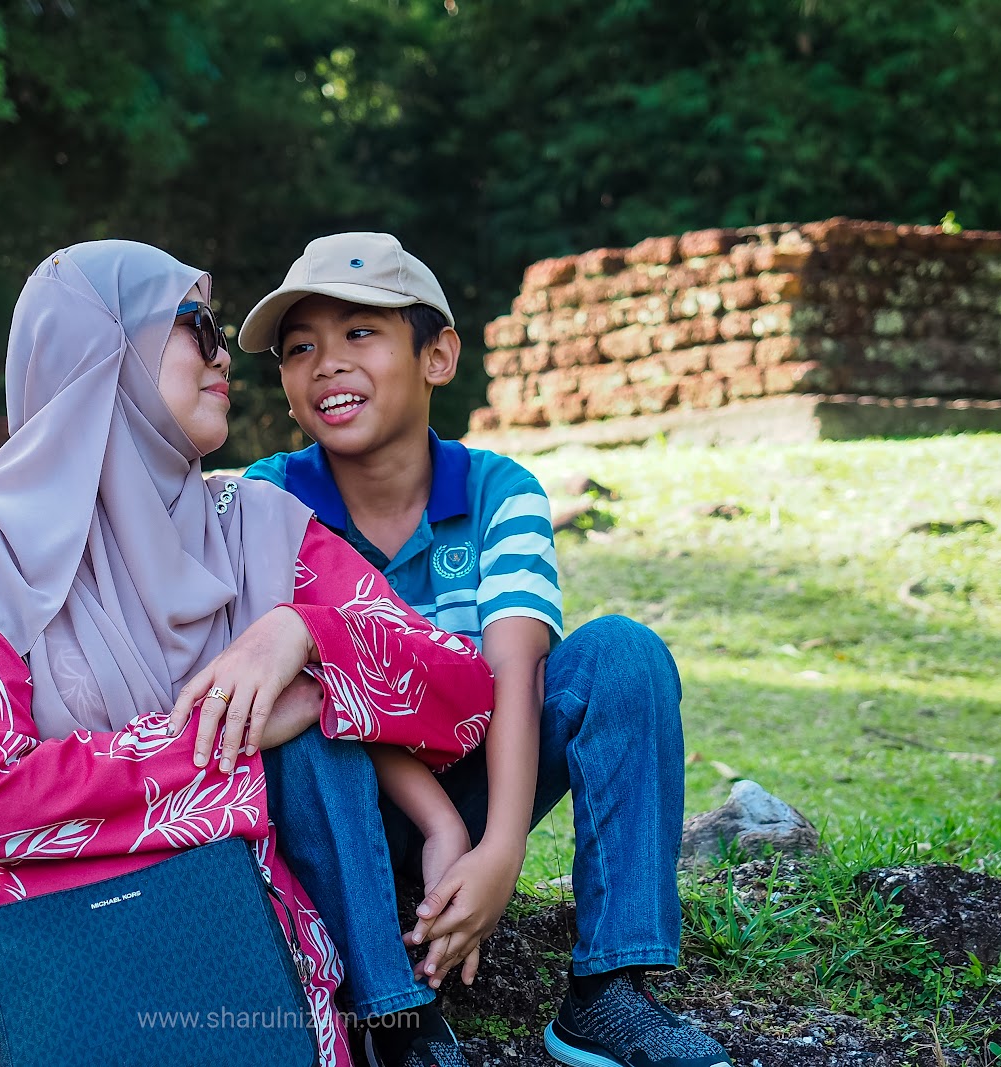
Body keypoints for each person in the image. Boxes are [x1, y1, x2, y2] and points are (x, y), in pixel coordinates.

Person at [0, 239, 496, 1067]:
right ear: (106, 348)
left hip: (230, 929)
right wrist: (232, 736)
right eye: (195, 324)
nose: (223, 354)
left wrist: (307, 634)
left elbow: (462, 688)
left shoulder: (257, 524)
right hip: (32, 941)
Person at [240, 232, 733, 1067]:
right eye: (300, 348)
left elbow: (517, 670)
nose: (327, 363)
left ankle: (610, 991)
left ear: (437, 355)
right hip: (333, 809)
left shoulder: (498, 490)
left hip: (473, 783)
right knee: (308, 714)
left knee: (623, 652)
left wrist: (499, 849)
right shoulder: (267, 501)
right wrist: (435, 825)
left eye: (360, 333)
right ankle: (388, 1011)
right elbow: (325, 695)